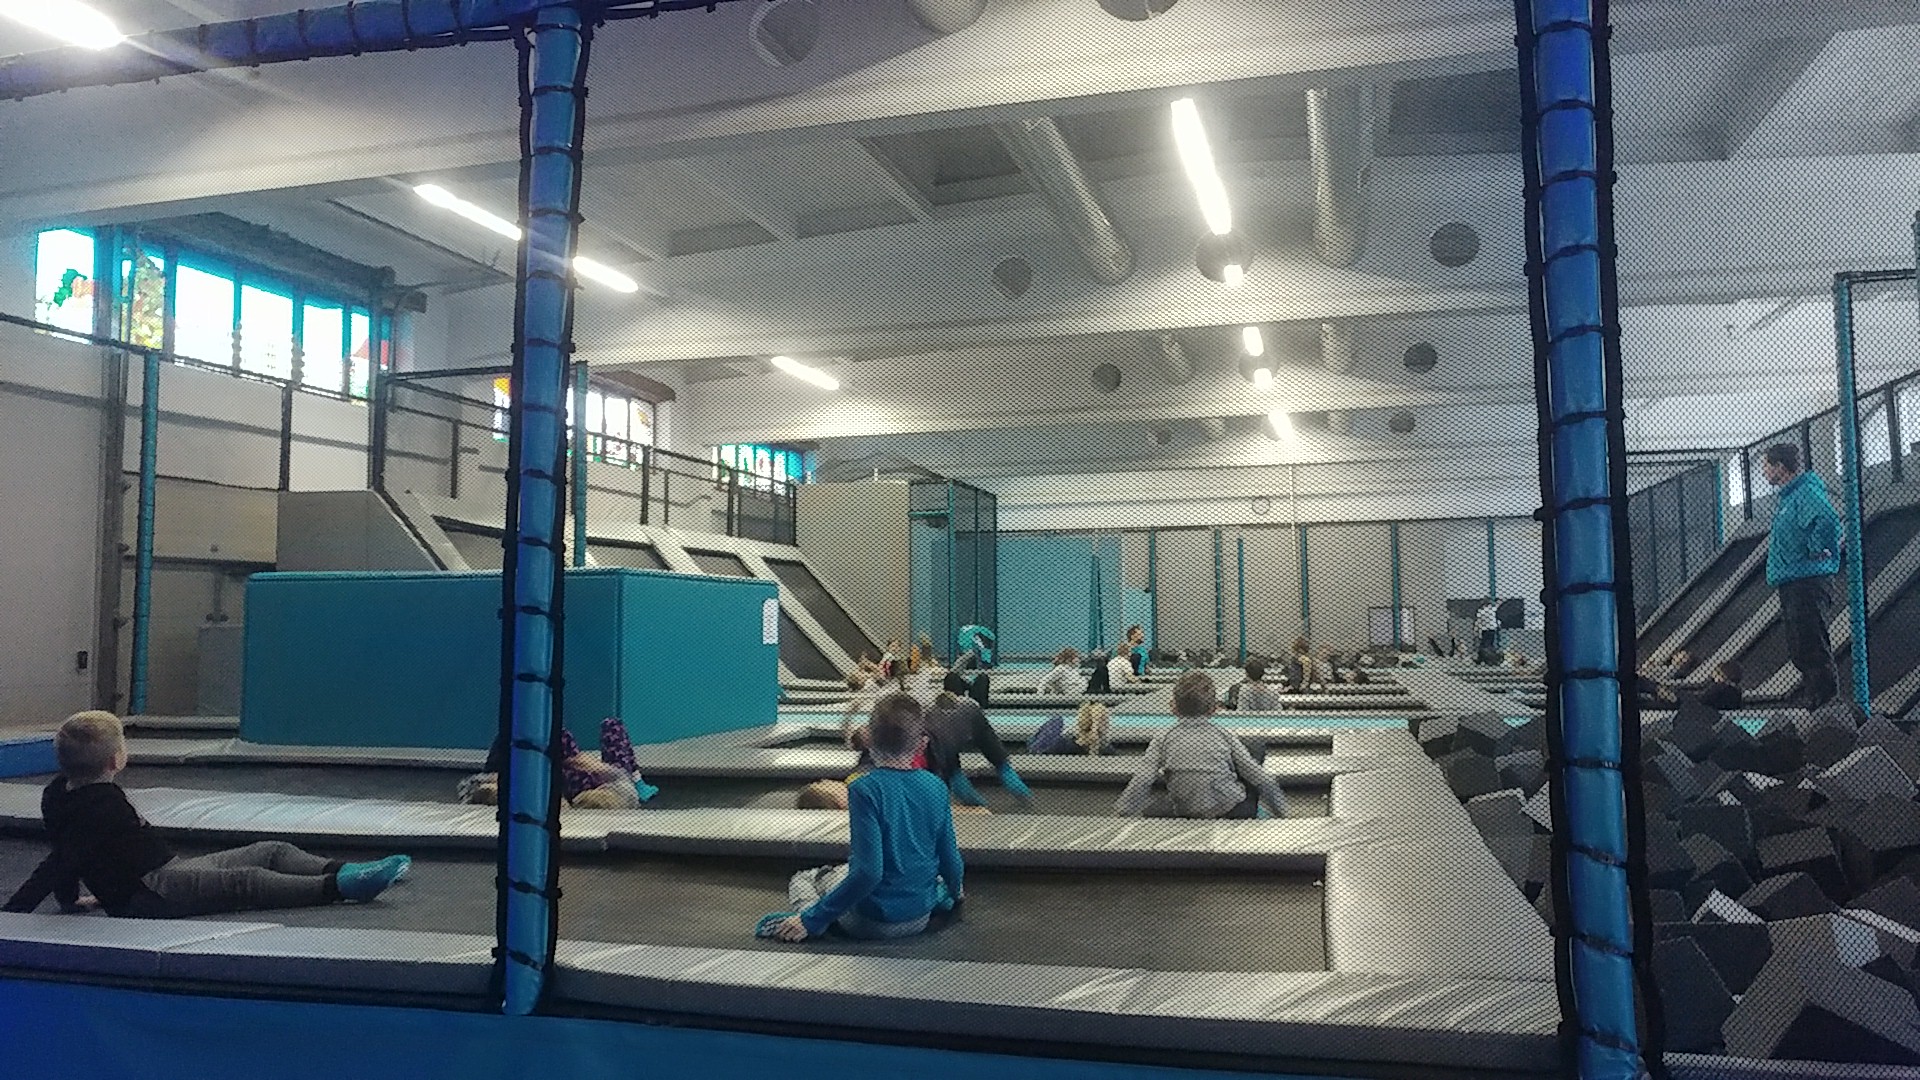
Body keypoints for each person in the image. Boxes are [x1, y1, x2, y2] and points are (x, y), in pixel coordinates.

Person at [4, 712, 410, 918]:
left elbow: (64, 851)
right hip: (152, 894)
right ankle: (342, 887)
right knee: (247, 880)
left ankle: (347, 869)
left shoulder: (57, 792)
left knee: (270, 850)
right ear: (116, 760)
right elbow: (63, 859)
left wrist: (72, 900)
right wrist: (14, 916)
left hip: (163, 874)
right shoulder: (102, 804)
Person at [756, 693, 964, 942]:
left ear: (869, 739)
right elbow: (950, 859)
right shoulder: (936, 787)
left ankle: (807, 919)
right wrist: (955, 893)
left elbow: (869, 872)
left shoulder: (864, 790)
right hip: (919, 917)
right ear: (922, 745)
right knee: (915, 872)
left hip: (869, 923)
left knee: (807, 878)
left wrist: (814, 918)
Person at [1116, 672, 1286, 820]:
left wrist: (1123, 813)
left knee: (1153, 808)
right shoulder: (1223, 735)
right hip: (1231, 809)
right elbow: (1259, 777)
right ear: (1214, 709)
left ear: (1173, 708)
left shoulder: (1163, 737)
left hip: (1185, 810)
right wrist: (1282, 813)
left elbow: (1143, 779)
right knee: (1255, 752)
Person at [1761, 443, 1843, 708]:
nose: (1764, 471)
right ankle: (1816, 698)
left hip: (1806, 580)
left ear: (1780, 467)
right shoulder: (1789, 498)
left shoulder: (1806, 492)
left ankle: (1827, 702)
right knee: (1800, 644)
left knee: (1810, 641)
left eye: (1766, 465)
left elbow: (1827, 519)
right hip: (1792, 578)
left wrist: (1818, 549)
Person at [462, 716, 658, 809]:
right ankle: (633, 779)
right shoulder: (545, 733)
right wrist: (618, 774)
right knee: (612, 727)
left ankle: (634, 779)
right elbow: (578, 762)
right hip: (576, 783)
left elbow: (578, 762)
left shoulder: (530, 732)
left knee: (612, 725)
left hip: (569, 782)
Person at [924, 692, 1034, 809]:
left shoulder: (932, 727)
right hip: (968, 716)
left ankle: (977, 804)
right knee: (1000, 761)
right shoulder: (964, 707)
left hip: (948, 733)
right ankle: (1022, 793)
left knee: (953, 772)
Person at [1475, 600, 1500, 665]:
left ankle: (1481, 659)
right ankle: (1491, 659)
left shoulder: (1481, 612)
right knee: (1490, 645)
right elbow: (1497, 605)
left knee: (1483, 645)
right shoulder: (1492, 610)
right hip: (1492, 629)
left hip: (1484, 629)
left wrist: (1477, 631)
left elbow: (1478, 622)